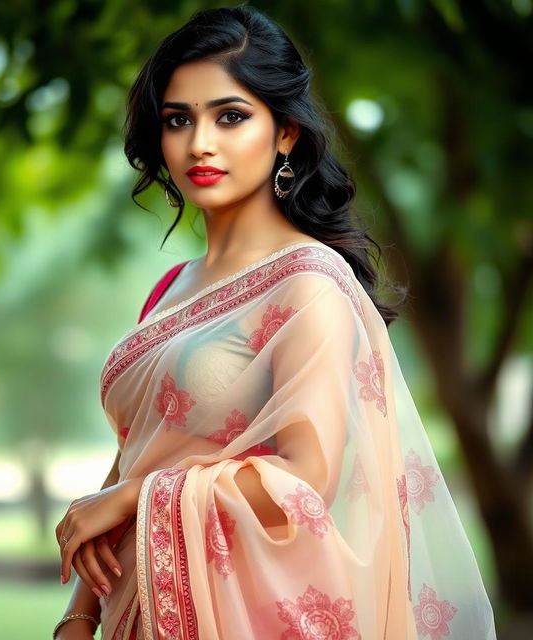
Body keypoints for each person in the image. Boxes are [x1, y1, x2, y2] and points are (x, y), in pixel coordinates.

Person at [53, 5, 497, 639]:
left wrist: (134, 498)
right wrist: (79, 614)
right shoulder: (168, 291)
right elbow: (135, 454)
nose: (200, 143)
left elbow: (306, 477)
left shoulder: (306, 284)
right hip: (136, 610)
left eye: (230, 117)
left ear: (285, 132)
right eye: (179, 120)